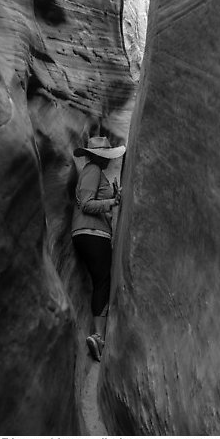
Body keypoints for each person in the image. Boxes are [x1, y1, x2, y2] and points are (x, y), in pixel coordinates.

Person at [71, 136, 126, 362]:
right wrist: (112, 202)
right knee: (103, 281)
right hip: (92, 233)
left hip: (87, 233)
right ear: (97, 156)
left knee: (100, 280)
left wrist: (112, 197)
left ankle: (97, 335)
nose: (108, 161)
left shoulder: (93, 171)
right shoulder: (92, 170)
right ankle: (98, 336)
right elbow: (86, 203)